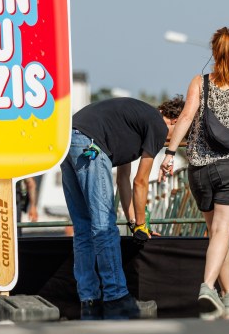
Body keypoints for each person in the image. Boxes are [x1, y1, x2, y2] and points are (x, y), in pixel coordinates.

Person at [161, 27, 229, 320]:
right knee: (221, 233)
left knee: (216, 234)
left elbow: (187, 117)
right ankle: (207, 287)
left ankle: (228, 297)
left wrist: (169, 153)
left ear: (213, 52)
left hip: (200, 168)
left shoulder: (200, 82)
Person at [62, 94, 184, 320]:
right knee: (104, 227)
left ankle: (88, 300)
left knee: (83, 229)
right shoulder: (157, 126)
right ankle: (116, 297)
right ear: (175, 121)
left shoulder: (133, 121)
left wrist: (134, 222)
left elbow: (123, 180)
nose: (173, 142)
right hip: (90, 143)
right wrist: (141, 224)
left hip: (66, 141)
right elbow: (141, 182)